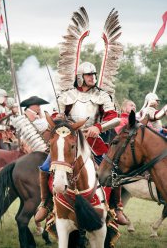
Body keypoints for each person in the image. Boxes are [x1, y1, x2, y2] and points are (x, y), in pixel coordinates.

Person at [35, 62, 129, 225]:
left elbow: (115, 118)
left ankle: (116, 206)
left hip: (94, 141)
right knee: (45, 167)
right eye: (89, 75)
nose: (93, 77)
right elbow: (56, 114)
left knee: (114, 169)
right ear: (80, 77)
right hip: (69, 138)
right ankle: (46, 203)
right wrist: (60, 120)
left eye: (94, 74)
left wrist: (98, 127)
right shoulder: (66, 95)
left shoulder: (102, 95)